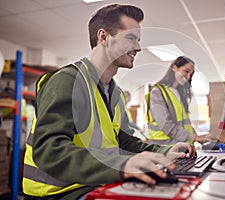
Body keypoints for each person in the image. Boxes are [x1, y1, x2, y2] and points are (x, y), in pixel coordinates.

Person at [22, 4, 196, 200]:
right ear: (103, 37)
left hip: (95, 184)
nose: (138, 47)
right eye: (131, 38)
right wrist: (120, 165)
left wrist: (165, 151)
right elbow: (48, 150)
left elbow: (124, 141)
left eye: (138, 40)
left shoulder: (116, 93)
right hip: (58, 194)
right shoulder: (67, 81)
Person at [145, 56, 208, 145]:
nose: (188, 77)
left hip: (179, 147)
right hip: (162, 148)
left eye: (191, 74)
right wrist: (195, 137)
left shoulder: (178, 94)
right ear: (175, 68)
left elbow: (185, 124)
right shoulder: (157, 92)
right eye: (186, 71)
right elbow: (166, 125)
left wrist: (199, 138)